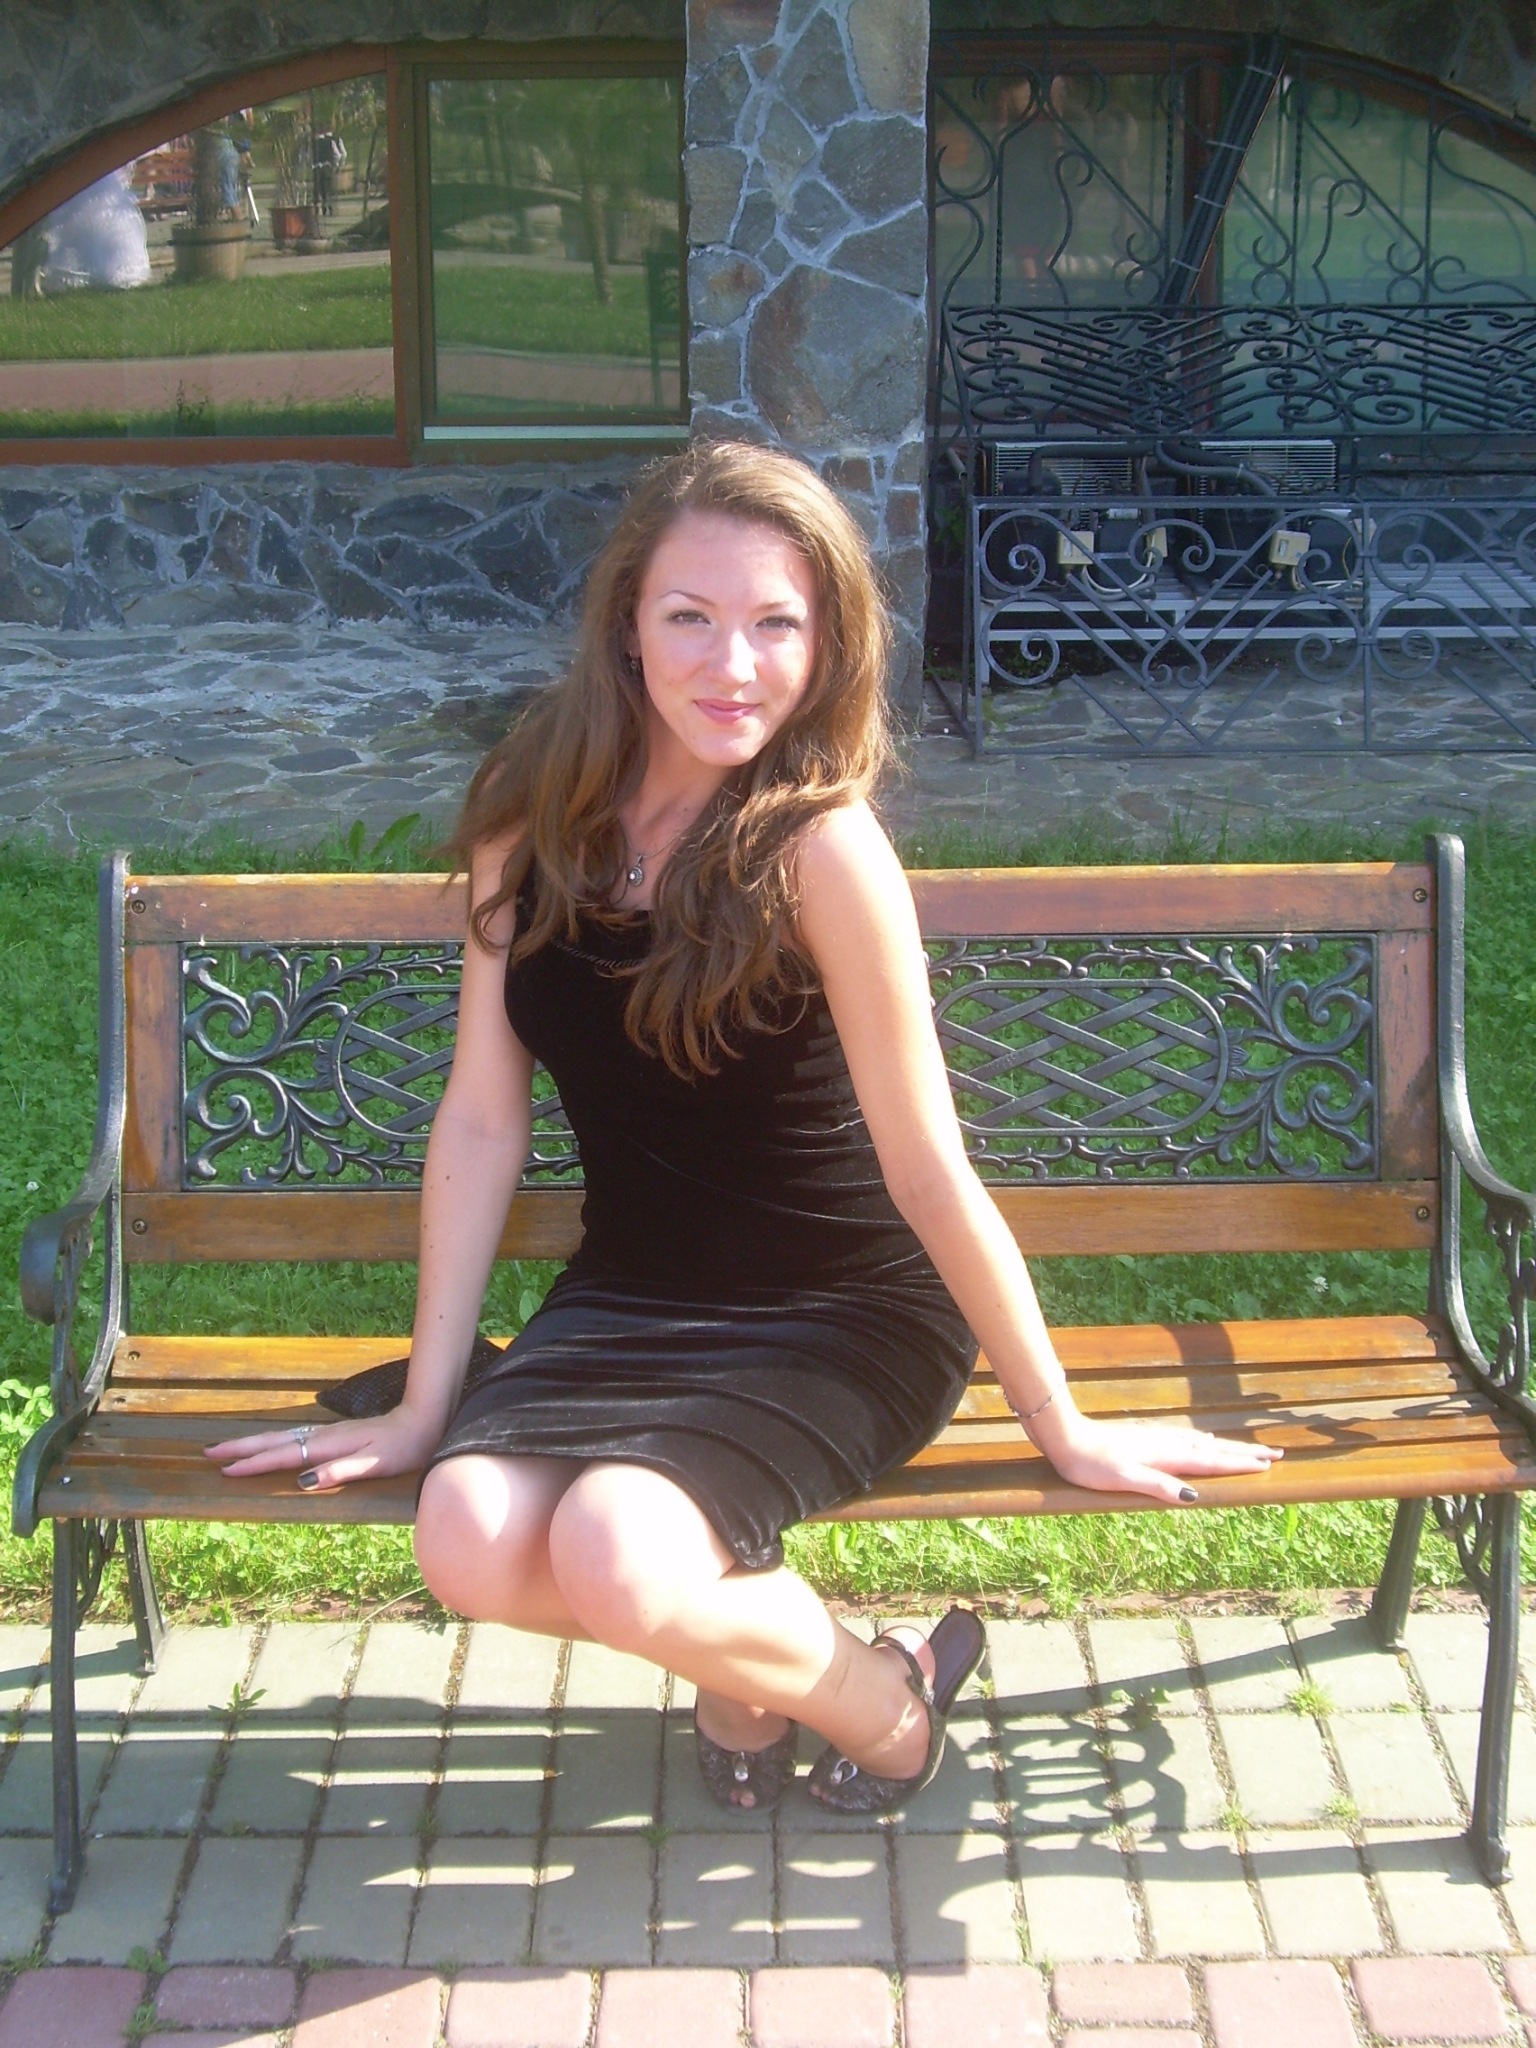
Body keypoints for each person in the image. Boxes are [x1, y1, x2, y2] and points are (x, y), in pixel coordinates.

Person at [207, 442, 1280, 1814]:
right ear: (627, 628)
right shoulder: (528, 823)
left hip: (844, 1308)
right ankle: (795, 1667)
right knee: (464, 1536)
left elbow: (926, 1164)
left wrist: (1059, 1422)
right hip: (635, 1293)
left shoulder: (823, 850)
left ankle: (882, 1709)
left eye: (778, 623)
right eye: (690, 618)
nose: (734, 666)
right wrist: (428, 1402)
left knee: (616, 1548)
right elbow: (480, 1119)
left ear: (826, 645)